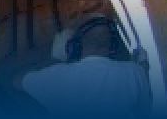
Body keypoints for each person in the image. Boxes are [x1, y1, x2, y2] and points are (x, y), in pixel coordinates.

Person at [18, 14, 151, 116]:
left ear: (74, 44)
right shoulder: (134, 72)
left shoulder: (56, 76)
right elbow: (145, 108)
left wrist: (55, 58)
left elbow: (17, 81)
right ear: (112, 44)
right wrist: (143, 65)